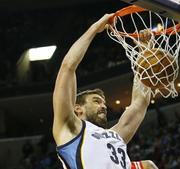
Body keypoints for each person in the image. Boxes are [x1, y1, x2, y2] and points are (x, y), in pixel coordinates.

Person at [52, 13, 154, 169]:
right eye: (96, 101)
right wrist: (94, 28)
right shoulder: (69, 127)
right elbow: (67, 67)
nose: (104, 106)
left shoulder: (115, 136)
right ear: (77, 108)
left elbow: (141, 102)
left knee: (148, 166)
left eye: (103, 103)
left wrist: (145, 54)